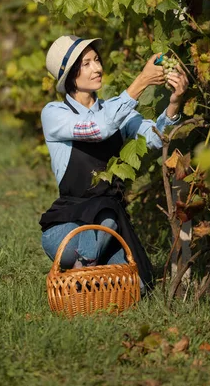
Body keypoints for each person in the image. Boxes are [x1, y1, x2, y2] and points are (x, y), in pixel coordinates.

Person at [39, 34, 189, 291]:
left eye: (96, 60)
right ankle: (89, 266)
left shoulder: (117, 110)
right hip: (68, 227)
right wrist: (141, 81)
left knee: (138, 287)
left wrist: (174, 104)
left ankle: (85, 273)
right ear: (70, 75)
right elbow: (98, 128)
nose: (97, 68)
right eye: (86, 64)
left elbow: (155, 139)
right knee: (105, 212)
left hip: (108, 228)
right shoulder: (55, 113)